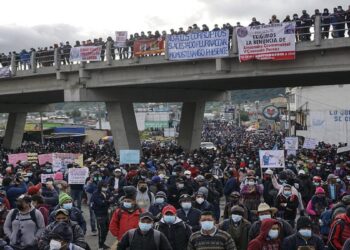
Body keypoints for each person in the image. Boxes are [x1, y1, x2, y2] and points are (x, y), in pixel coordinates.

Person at [90, 181, 111, 250]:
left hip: (106, 213)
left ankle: (103, 243)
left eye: (106, 186)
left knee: (107, 229)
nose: (105, 188)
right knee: (102, 230)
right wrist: (108, 201)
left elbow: (112, 198)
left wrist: (107, 201)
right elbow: (100, 203)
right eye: (104, 186)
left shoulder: (107, 192)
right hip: (99, 214)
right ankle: (100, 246)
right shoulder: (96, 193)